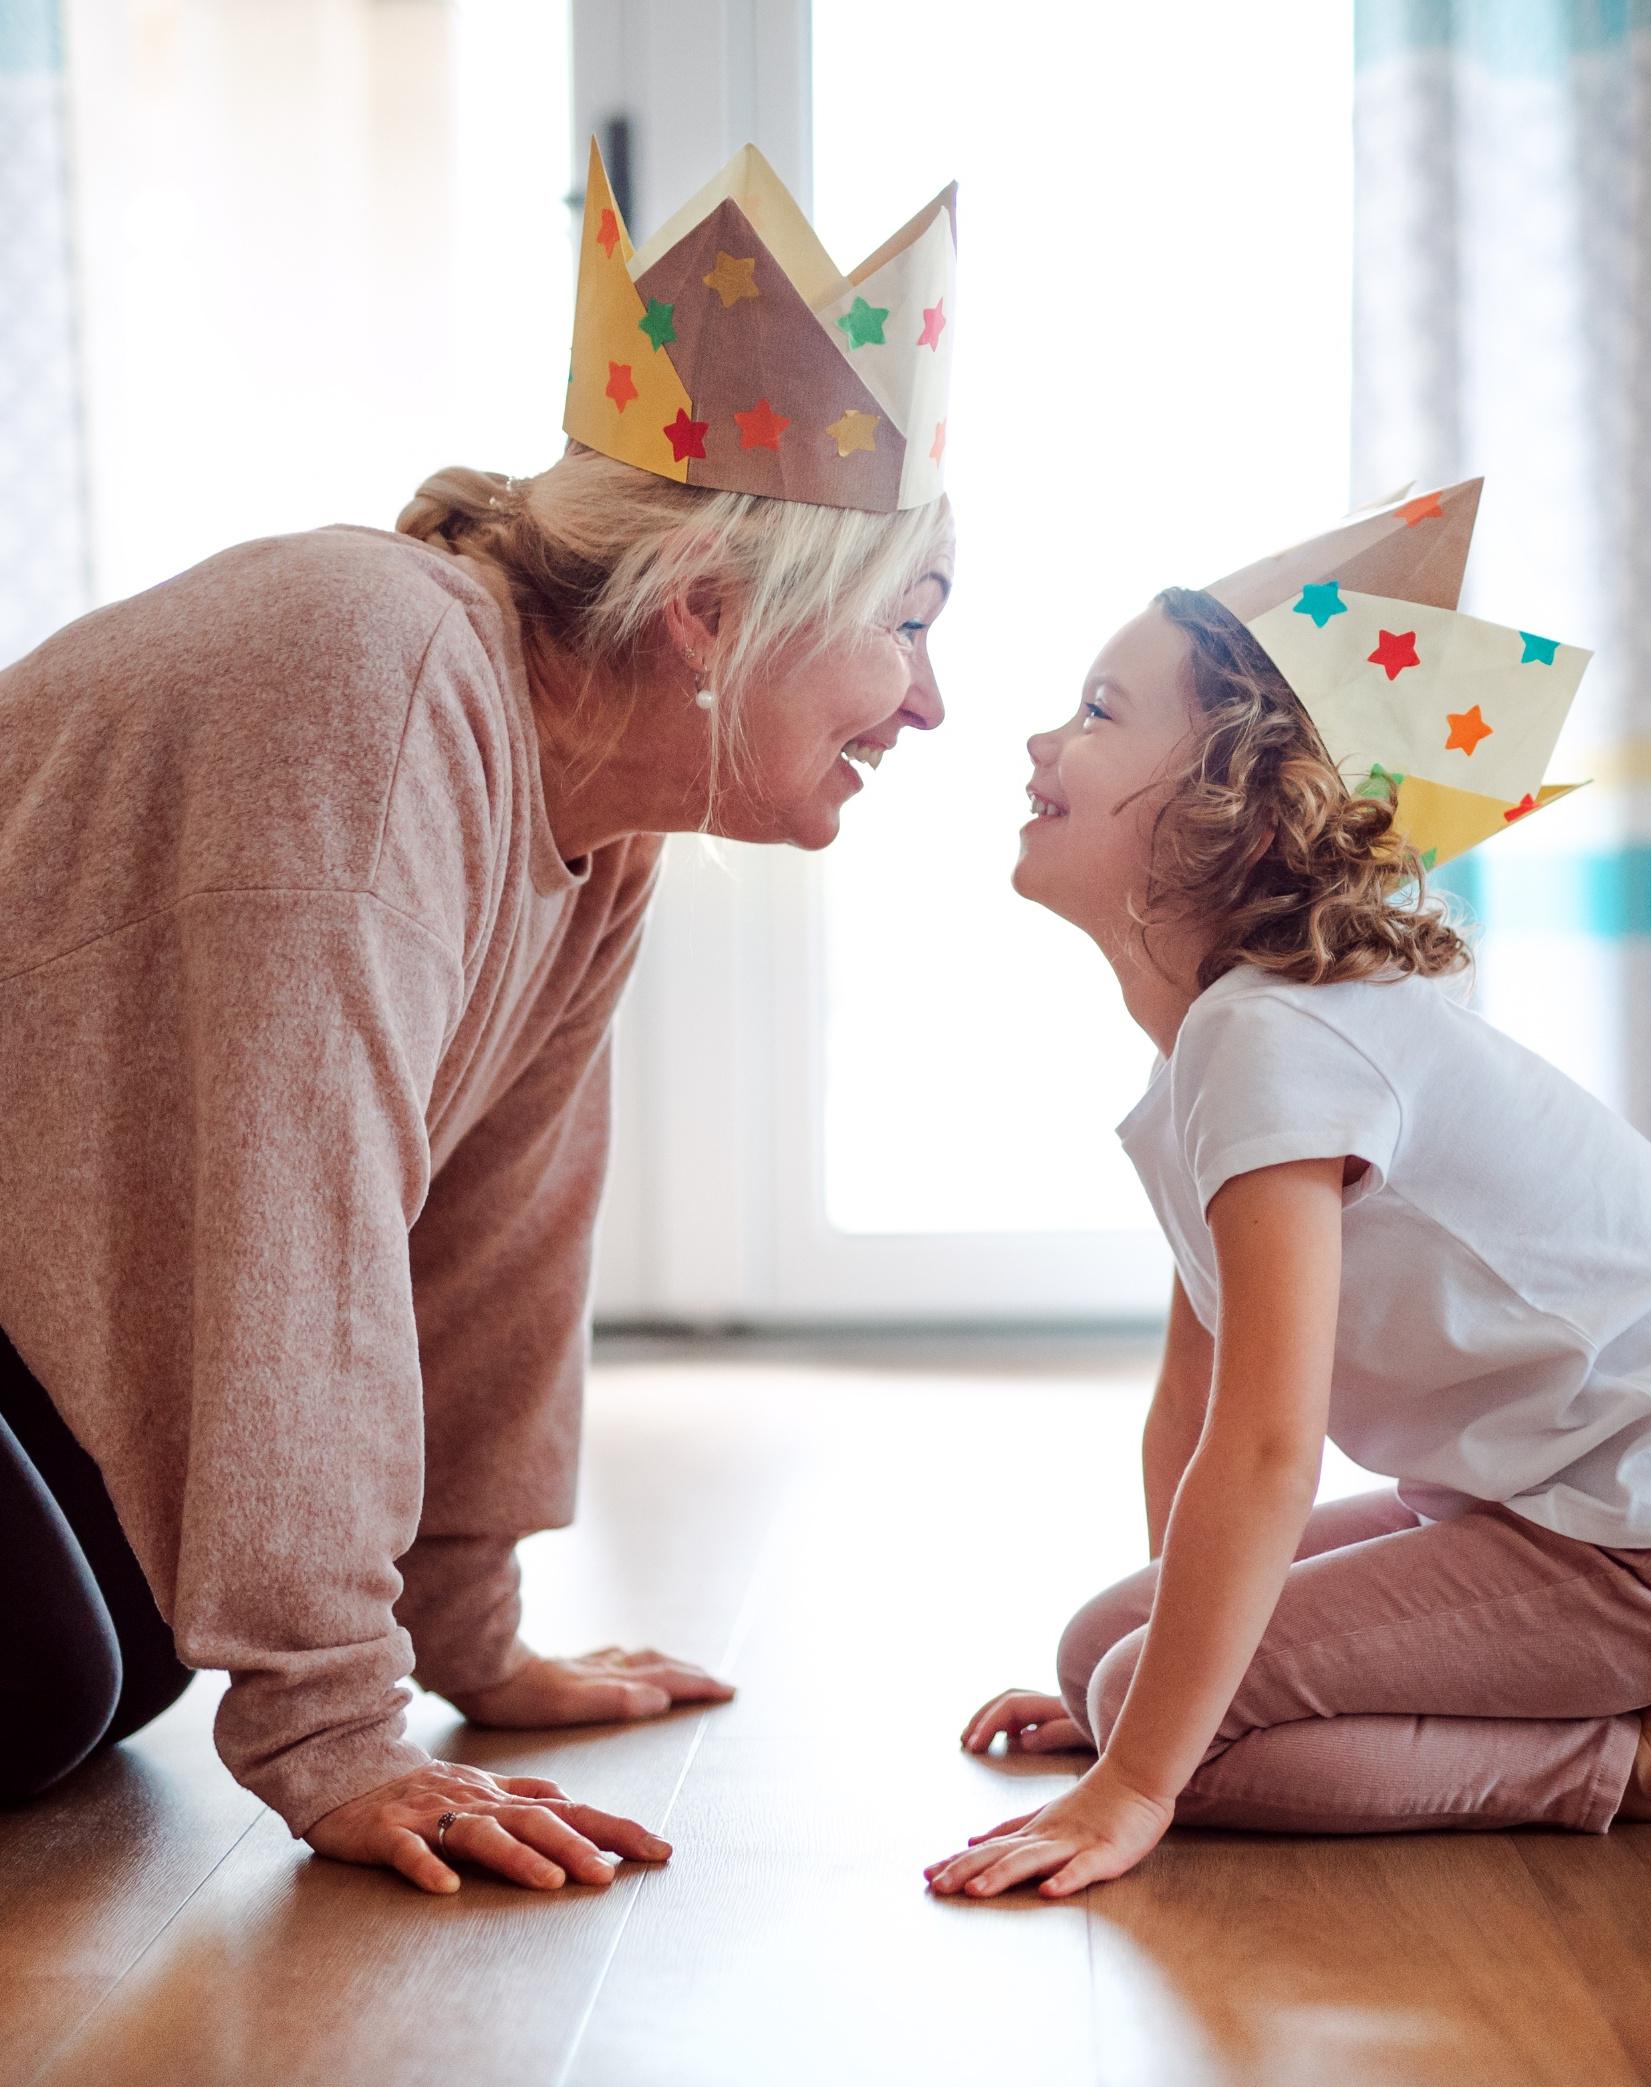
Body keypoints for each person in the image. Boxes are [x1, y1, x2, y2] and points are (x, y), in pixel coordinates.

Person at [0, 141, 958, 1896]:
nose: (937, 704)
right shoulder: (376, 667)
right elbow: (301, 1204)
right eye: (910, 627)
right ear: (708, 614)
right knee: (58, 1673)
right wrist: (328, 1728)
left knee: (123, 1649)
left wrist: (462, 1632)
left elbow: (498, 1217)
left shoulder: (594, 822)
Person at [925, 491, 1651, 1901]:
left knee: (1179, 1736)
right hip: (1568, 1502)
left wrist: (1145, 1764)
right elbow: (1197, 1404)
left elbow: (1270, 1449)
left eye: (1100, 711)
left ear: (1230, 804)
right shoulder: (1217, 1053)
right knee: (1108, 1646)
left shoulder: (1273, 1043)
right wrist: (1166, 1674)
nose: (1045, 740)